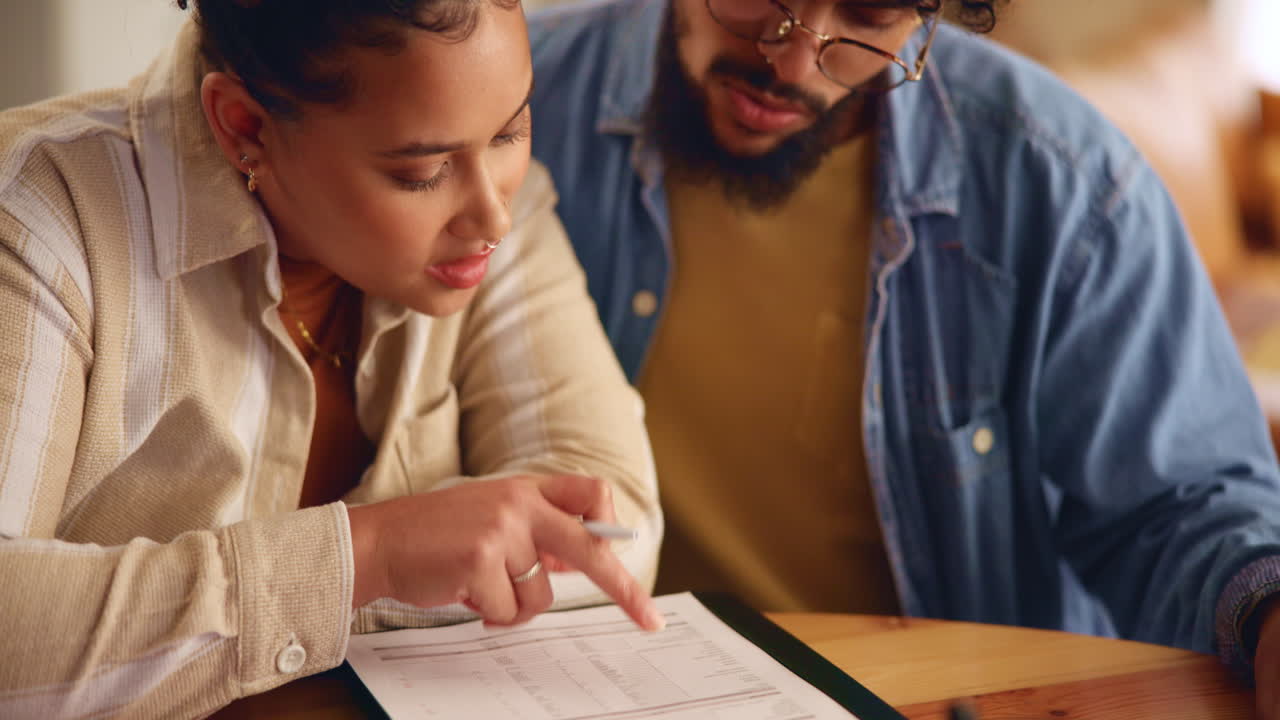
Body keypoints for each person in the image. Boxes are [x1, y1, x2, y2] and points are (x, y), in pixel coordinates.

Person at [525, 0, 1280, 713]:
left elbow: (1182, 503)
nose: (792, 60)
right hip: (577, 681)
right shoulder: (515, 100)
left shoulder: (1063, 183)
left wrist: (1268, 612)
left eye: (868, 14)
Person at [0, 0, 666, 716]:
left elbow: (613, 532)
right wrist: (370, 558)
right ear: (243, 127)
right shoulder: (37, 211)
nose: (492, 216)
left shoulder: (497, 221)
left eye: (512, 129)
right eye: (422, 171)